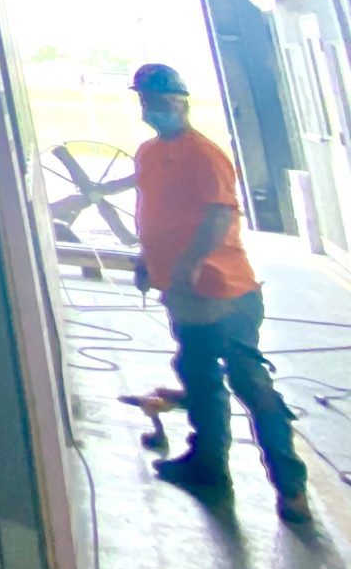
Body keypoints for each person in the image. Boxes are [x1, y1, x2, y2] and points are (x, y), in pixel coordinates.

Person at [129, 63, 312, 524]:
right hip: (184, 296)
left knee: (249, 382)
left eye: (164, 100)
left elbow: (217, 215)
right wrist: (147, 259)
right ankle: (208, 465)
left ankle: (291, 488)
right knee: (199, 376)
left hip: (224, 293)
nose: (155, 108)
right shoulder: (149, 154)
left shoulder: (205, 155)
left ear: (182, 102)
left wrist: (190, 264)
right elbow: (153, 211)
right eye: (148, 100)